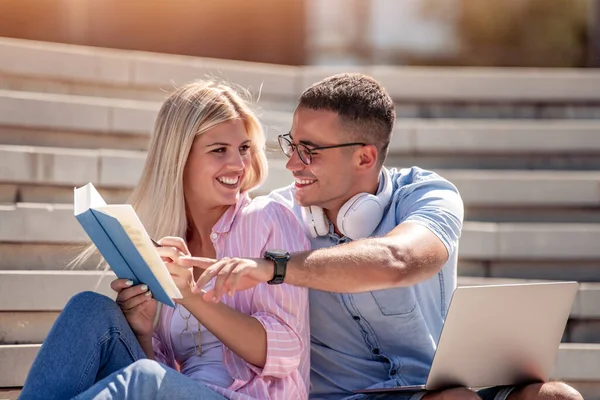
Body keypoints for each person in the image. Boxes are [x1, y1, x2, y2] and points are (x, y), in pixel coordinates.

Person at [178, 74, 583, 400]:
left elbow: (400, 260)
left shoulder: (426, 194)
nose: (291, 163)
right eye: (292, 145)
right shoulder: (276, 215)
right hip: (346, 397)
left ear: (365, 157)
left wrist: (277, 268)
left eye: (310, 151)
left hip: (435, 386)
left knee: (556, 396)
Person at [20, 81, 311, 400]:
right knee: (89, 308)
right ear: (179, 157)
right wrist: (143, 329)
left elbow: (287, 352)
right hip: (183, 390)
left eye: (244, 148)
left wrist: (191, 295)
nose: (238, 165)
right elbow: (161, 373)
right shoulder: (168, 245)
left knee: (144, 378)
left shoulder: (267, 218)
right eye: (219, 150)